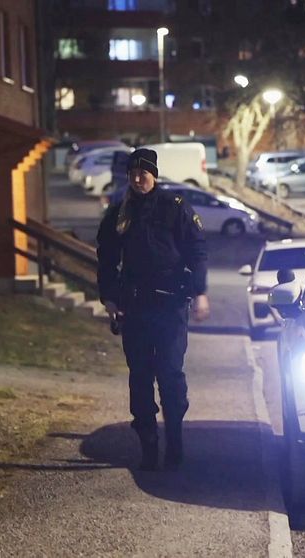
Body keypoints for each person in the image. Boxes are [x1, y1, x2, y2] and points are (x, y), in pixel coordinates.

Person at [96, 148, 209, 471]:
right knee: (141, 377)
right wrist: (110, 298)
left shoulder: (174, 208)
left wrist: (200, 292)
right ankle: (148, 445)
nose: (136, 178)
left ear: (154, 175)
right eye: (132, 173)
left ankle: (174, 439)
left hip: (171, 305)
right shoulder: (120, 212)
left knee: (171, 373)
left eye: (142, 173)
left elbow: (197, 251)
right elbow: (107, 259)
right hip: (135, 307)